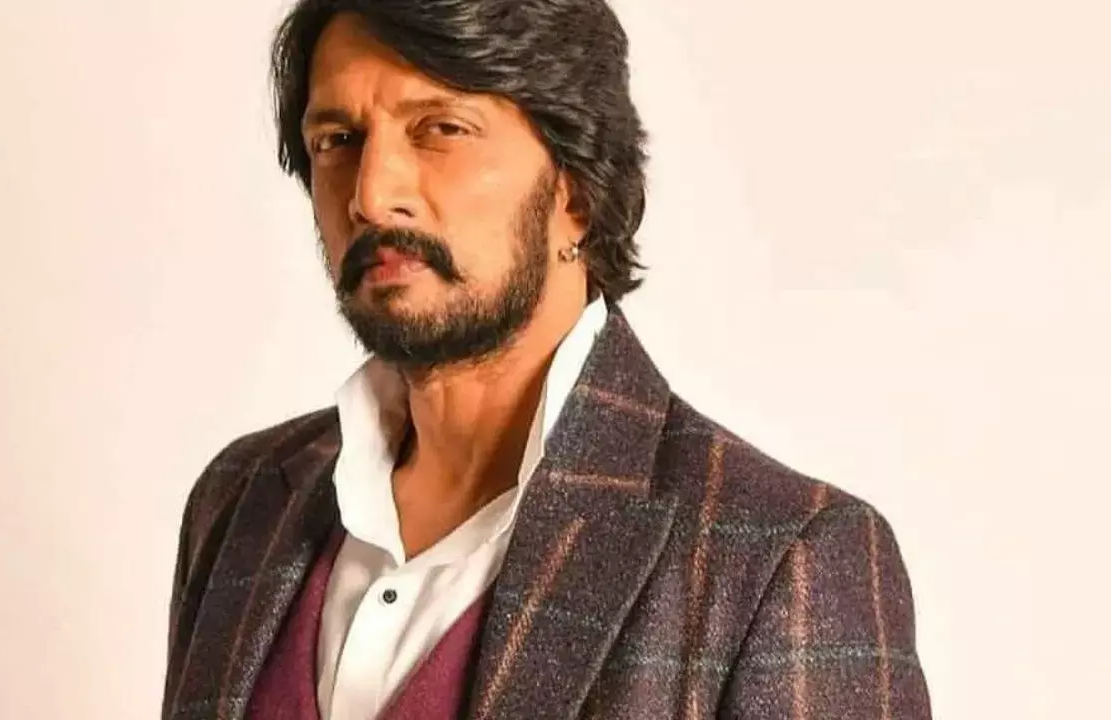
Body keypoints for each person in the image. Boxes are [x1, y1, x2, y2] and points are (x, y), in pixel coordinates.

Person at [161, 0, 932, 718]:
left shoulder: (783, 558)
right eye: (337, 141)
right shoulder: (242, 499)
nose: (370, 193)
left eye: (441, 129)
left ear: (577, 189)